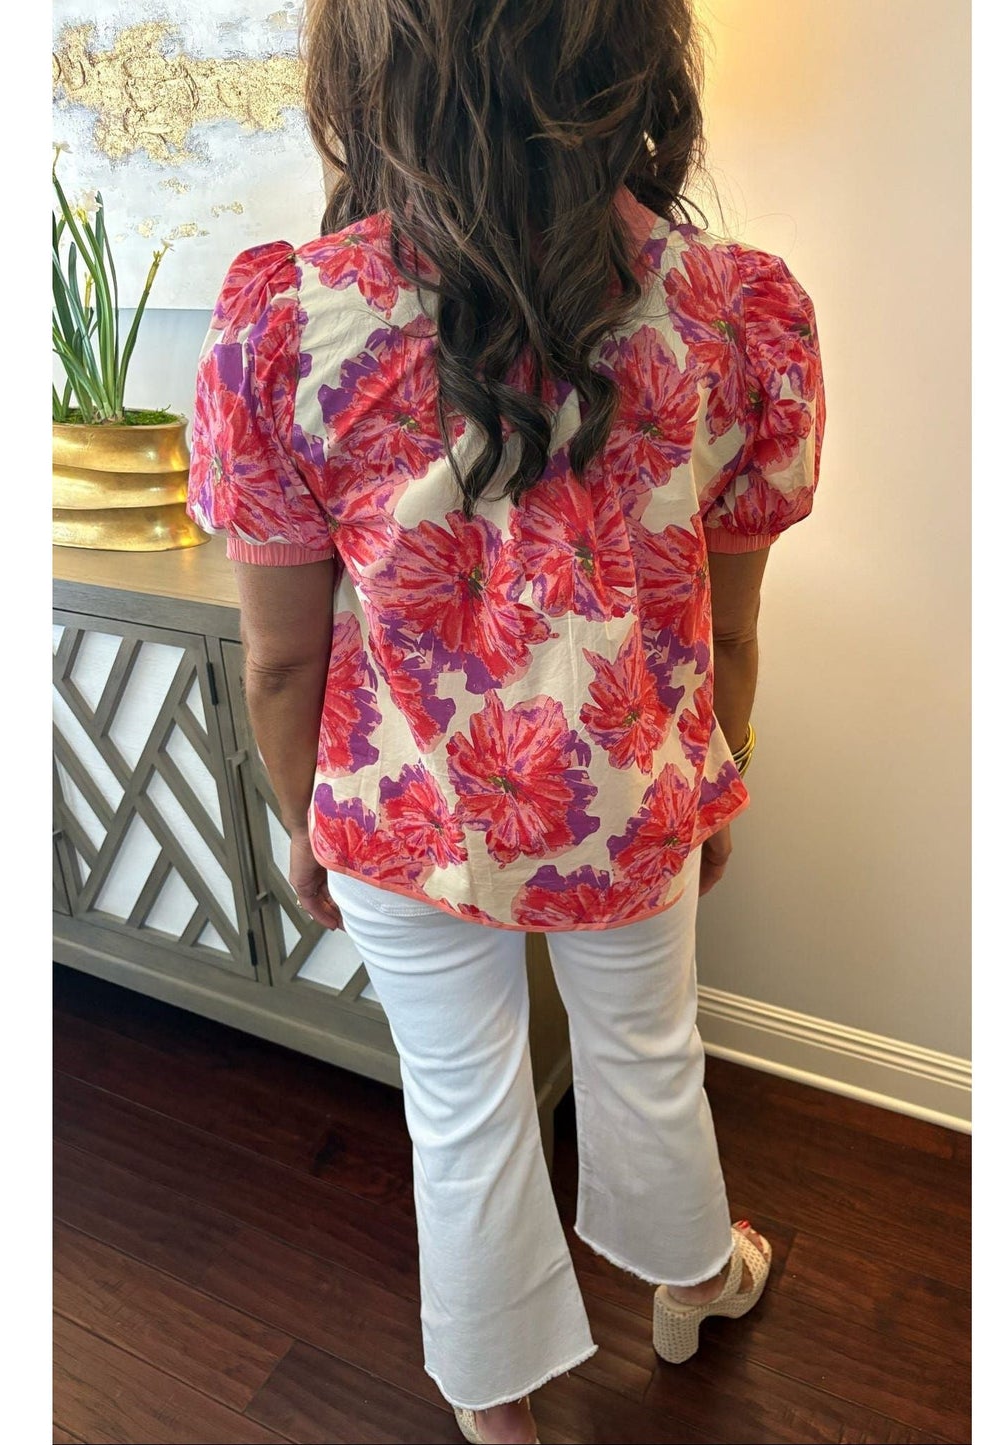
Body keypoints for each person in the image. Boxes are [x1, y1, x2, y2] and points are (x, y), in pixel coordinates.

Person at [186, 2, 825, 1439]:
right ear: (634, 68)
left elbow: (283, 669)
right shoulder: (737, 312)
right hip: (633, 804)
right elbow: (730, 627)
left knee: (462, 1106)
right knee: (646, 1055)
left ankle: (498, 1411)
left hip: (398, 816)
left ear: (366, 75)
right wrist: (707, 787)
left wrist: (313, 828)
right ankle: (689, 1284)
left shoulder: (282, 320)